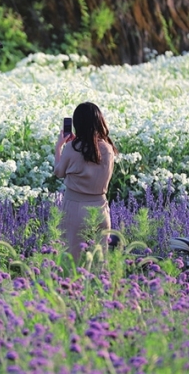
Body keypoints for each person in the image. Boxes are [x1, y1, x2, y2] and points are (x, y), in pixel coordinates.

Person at [54, 102, 118, 261]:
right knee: (98, 265)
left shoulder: (72, 147)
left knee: (72, 264)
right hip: (101, 208)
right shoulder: (108, 148)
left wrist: (58, 148)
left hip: (75, 209)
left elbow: (59, 172)